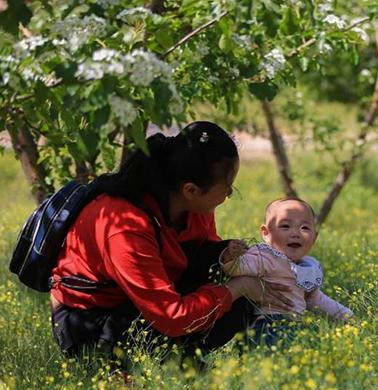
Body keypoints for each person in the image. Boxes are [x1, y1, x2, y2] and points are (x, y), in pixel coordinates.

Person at [50, 121, 293, 363]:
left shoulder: (193, 205)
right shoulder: (126, 225)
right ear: (191, 190)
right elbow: (170, 317)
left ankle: (192, 362)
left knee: (239, 305)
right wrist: (239, 288)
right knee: (234, 297)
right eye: (227, 189)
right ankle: (159, 367)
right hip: (91, 320)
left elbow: (200, 262)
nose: (228, 195)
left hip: (143, 304)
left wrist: (225, 257)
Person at [221, 198, 353, 345]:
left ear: (314, 237)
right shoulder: (265, 257)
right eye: (285, 226)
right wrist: (230, 258)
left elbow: (315, 299)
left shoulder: (309, 267)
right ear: (266, 233)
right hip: (269, 325)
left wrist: (347, 317)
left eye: (304, 228)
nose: (296, 233)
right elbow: (237, 268)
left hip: (296, 325)